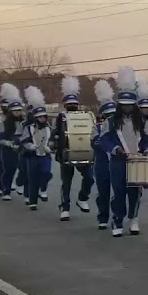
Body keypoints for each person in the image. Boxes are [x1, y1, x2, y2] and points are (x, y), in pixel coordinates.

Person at [100, 68, 148, 237]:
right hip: (118, 161)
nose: (128, 108)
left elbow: (146, 140)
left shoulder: (143, 121)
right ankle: (117, 219)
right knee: (119, 191)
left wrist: (146, 150)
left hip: (136, 160)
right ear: (120, 105)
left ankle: (134, 218)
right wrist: (115, 149)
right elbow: (104, 140)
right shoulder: (111, 121)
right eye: (125, 105)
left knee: (135, 191)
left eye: (131, 105)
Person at [55, 76, 93, 221]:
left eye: (75, 104)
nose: (73, 107)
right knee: (66, 183)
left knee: (89, 178)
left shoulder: (84, 116)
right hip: (65, 153)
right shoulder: (60, 118)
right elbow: (55, 134)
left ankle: (82, 198)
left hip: (82, 152)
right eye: (70, 105)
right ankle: (65, 208)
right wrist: (55, 144)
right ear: (65, 105)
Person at [19, 87, 54, 212]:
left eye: (44, 117)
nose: (42, 119)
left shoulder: (50, 128)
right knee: (32, 178)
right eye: (40, 117)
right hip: (32, 156)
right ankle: (33, 202)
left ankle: (42, 189)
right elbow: (23, 140)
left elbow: (53, 140)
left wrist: (50, 147)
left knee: (46, 173)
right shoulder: (29, 128)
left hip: (45, 155)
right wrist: (31, 147)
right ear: (35, 118)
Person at [91, 80, 116, 230]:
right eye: (107, 115)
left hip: (115, 163)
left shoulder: (119, 127)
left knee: (117, 192)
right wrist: (103, 143)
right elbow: (93, 141)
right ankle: (103, 216)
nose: (110, 118)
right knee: (103, 192)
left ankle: (116, 216)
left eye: (112, 114)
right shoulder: (98, 127)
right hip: (101, 163)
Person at [0, 85, 19, 197]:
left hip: (11, 145)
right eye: (3, 105)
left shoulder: (17, 118)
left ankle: (7, 184)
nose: (5, 107)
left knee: (10, 166)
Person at [0, 97, 26, 203]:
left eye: (19, 110)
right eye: (15, 111)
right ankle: (6, 191)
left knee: (24, 169)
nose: (17, 113)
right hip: (8, 150)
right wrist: (8, 143)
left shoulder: (24, 123)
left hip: (22, 150)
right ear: (11, 111)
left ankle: (19, 183)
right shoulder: (4, 123)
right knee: (8, 171)